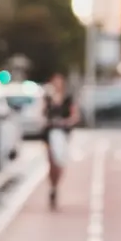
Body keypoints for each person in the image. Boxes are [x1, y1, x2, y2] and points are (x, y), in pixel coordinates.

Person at [42, 73, 79, 210]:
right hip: (49, 133)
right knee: (51, 161)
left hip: (63, 134)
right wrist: (46, 122)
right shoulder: (47, 98)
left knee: (60, 162)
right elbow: (41, 114)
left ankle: (55, 185)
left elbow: (75, 115)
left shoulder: (68, 98)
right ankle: (52, 187)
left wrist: (66, 122)